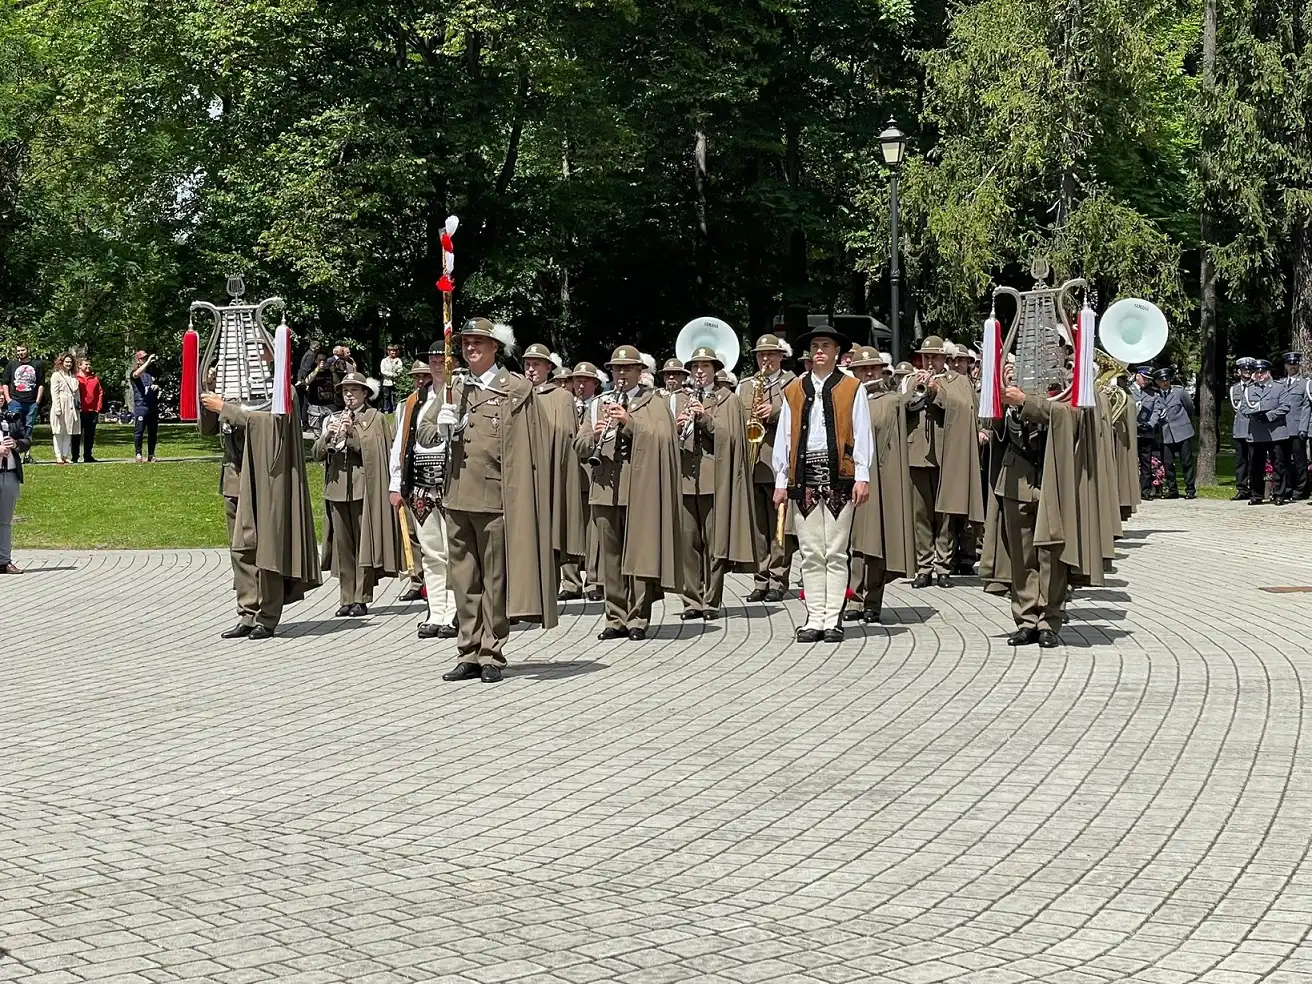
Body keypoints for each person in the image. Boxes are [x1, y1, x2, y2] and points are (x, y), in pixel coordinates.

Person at [439, 318, 558, 684]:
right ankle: (468, 652)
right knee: (464, 580)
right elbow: (425, 430)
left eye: (478, 343)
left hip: (495, 500)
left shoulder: (515, 390)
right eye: (466, 343)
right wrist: (441, 425)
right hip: (458, 497)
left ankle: (492, 652)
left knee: (494, 581)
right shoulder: (454, 388)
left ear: (495, 348)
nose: (470, 348)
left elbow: (529, 448)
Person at [201, 344, 321, 639]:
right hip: (235, 475)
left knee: (266, 546)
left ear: (271, 354)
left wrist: (226, 409)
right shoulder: (233, 387)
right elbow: (206, 428)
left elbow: (272, 428)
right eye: (244, 352)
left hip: (266, 479)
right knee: (241, 548)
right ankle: (247, 612)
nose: (249, 357)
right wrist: (209, 391)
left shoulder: (281, 389)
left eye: (257, 350)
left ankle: (267, 615)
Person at [771, 324, 874, 643]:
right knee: (811, 551)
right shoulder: (794, 390)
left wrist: (863, 474)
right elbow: (784, 437)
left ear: (836, 353)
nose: (819, 350)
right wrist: (780, 480)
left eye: (825, 346)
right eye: (815, 345)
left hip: (840, 475)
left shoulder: (853, 388)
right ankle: (814, 616)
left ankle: (833, 618)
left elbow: (862, 432)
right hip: (803, 476)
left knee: (836, 550)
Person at [577, 345, 683, 641]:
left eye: (627, 369)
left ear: (640, 372)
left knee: (637, 554)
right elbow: (579, 446)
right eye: (616, 369)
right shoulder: (598, 404)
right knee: (609, 557)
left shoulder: (653, 403)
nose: (621, 374)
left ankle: (638, 616)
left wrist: (629, 423)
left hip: (639, 489)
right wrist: (595, 437)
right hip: (604, 488)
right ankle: (615, 616)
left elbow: (663, 439)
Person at [670, 345, 758, 619]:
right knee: (687, 544)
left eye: (705, 367)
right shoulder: (677, 399)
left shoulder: (727, 400)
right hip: (685, 479)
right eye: (695, 367)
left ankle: (712, 599)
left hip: (713, 480)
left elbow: (732, 438)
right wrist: (676, 426)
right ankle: (691, 601)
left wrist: (705, 419)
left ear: (715, 370)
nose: (699, 372)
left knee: (714, 543)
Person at [313, 373, 403, 617]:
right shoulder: (333, 417)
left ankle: (361, 598)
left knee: (364, 544)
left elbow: (374, 451)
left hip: (363, 489)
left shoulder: (375, 418)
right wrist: (328, 436)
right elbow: (317, 453)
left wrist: (351, 435)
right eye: (345, 391)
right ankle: (346, 597)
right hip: (337, 489)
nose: (349, 395)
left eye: (354, 390)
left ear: (365, 393)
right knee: (344, 548)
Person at [903, 335, 984, 589]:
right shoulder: (911, 380)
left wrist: (938, 391)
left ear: (944, 359)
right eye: (926, 357)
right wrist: (914, 394)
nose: (930, 362)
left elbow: (965, 409)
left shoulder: (958, 382)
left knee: (946, 514)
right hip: (917, 454)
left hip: (947, 454)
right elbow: (901, 408)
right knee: (920, 514)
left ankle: (943, 566)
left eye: (935, 357)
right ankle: (924, 567)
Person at [390, 350, 458, 637]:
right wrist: (396, 482)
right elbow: (401, 440)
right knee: (431, 552)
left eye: (442, 360)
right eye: (432, 361)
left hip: (451, 480)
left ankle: (455, 612)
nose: (437, 365)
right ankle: (437, 610)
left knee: (454, 550)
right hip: (420, 480)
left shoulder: (461, 393)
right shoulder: (414, 401)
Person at [846, 348, 914, 624]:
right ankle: (853, 598)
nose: (869, 373)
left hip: (879, 479)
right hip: (849, 477)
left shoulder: (890, 401)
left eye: (873, 368)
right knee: (852, 544)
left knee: (875, 542)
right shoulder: (847, 399)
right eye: (863, 370)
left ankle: (872, 601)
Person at [522, 342, 587, 598]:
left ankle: (562, 583)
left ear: (549, 368)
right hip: (524, 475)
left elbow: (567, 438)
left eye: (536, 364)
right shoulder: (518, 393)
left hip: (552, 474)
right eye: (527, 364)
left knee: (554, 528)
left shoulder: (562, 397)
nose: (531, 369)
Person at [739, 334, 797, 602]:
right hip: (753, 463)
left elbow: (798, 412)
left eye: (771, 354)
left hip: (779, 463)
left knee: (779, 526)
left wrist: (773, 410)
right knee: (758, 527)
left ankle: (778, 578)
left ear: (781, 356)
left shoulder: (793, 383)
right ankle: (760, 578)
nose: (765, 359)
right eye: (761, 355)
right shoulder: (745, 386)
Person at [559, 363, 604, 602]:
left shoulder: (600, 406)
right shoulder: (564, 405)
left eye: (586, 380)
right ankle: (570, 581)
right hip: (569, 474)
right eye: (577, 380)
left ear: (595, 384)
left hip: (591, 473)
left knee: (593, 529)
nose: (580, 385)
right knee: (570, 526)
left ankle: (595, 580)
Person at [1241, 359, 1292, 504]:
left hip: (1276, 431)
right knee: (1256, 465)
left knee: (1278, 465)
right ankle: (1256, 495)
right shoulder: (1249, 389)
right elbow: (1243, 408)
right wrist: (1254, 415)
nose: (1259, 375)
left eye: (1262, 372)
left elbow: (1285, 406)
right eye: (1256, 372)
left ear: (1268, 373)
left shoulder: (1279, 387)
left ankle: (1279, 495)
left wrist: (1268, 416)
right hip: (1256, 432)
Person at [1148, 367, 1196, 499]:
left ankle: (1190, 489)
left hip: (1182, 431)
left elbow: (1189, 408)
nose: (1165, 383)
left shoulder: (1179, 392)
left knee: (1186, 462)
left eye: (1167, 380)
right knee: (1168, 463)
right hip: (1166, 433)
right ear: (1157, 382)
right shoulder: (1155, 395)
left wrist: (1185, 422)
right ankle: (1173, 489)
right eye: (1162, 381)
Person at [1, 405, 31, 574]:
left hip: (10, 475)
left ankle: (4, 561)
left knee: (5, 521)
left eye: (1, 394)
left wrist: (16, 443)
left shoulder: (11, 418)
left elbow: (26, 441)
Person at [3, 344, 44, 463]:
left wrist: (37, 401)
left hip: (31, 402)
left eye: (23, 350)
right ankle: (15, 454)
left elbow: (41, 384)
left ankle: (27, 455)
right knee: (14, 428)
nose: (21, 352)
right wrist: (8, 399)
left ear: (28, 350)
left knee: (29, 428)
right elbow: (5, 383)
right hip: (15, 401)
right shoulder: (12, 365)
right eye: (18, 351)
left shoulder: (37, 364)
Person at [1281, 352, 1309, 501]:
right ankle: (1287, 488)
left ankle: (1301, 489)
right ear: (1285, 366)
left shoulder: (1305, 384)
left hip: (1298, 428)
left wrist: (1303, 428)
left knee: (1300, 461)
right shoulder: (1280, 384)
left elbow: (1306, 407)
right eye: (1290, 365)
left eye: (1295, 364)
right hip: (1282, 429)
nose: (1292, 367)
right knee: (1284, 461)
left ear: (1298, 365)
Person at [1130, 366, 1159, 499]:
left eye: (1148, 379)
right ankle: (1130, 491)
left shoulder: (1152, 394)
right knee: (1130, 462)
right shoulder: (1128, 391)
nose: (1146, 381)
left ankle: (1145, 491)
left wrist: (1150, 424)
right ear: (1137, 376)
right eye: (1144, 378)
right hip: (1131, 432)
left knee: (1146, 463)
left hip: (1146, 432)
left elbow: (1156, 411)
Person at [48, 353, 81, 465]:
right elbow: (54, 392)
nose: (69, 364)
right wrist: (57, 408)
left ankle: (65, 455)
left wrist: (78, 405)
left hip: (71, 406)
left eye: (70, 362)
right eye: (66, 362)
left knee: (69, 431)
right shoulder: (56, 375)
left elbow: (76, 393)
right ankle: (58, 455)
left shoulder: (73, 376)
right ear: (61, 362)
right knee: (58, 431)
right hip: (61, 404)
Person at [1230, 358, 1255, 501]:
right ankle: (1242, 488)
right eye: (1244, 369)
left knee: (1254, 460)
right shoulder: (1234, 388)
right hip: (1240, 429)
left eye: (1250, 369)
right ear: (1239, 371)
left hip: (1253, 429)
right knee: (1241, 461)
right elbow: (1237, 407)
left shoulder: (1257, 386)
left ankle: (1254, 488)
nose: (1247, 371)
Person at [130, 350, 161, 462]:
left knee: (153, 432)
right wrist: (147, 362)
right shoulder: (135, 372)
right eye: (143, 358)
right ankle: (138, 453)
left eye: (146, 357)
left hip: (152, 405)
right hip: (141, 406)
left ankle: (151, 454)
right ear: (139, 360)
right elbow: (136, 374)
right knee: (139, 431)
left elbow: (156, 384)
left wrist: (156, 387)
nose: (146, 360)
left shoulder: (151, 374)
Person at [71, 358, 103, 463]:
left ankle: (88, 455)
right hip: (79, 410)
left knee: (90, 435)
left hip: (92, 411)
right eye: (86, 364)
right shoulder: (75, 378)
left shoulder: (94, 378)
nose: (88, 366)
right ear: (80, 366)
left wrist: (98, 408)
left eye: (89, 364)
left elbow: (100, 393)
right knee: (76, 435)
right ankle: (75, 456)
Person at [379, 344, 403, 415]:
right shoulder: (384, 361)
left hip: (395, 382)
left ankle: (395, 409)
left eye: (395, 351)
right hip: (387, 381)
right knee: (386, 396)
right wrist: (391, 374)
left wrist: (397, 373)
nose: (394, 353)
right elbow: (383, 371)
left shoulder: (398, 360)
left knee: (395, 396)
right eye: (392, 351)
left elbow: (400, 368)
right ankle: (386, 409)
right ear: (388, 352)